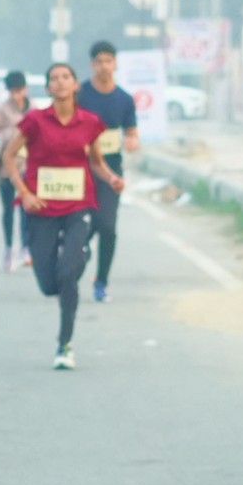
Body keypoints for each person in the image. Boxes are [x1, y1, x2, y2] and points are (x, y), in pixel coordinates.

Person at [2, 61, 125, 371]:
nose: (59, 82)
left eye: (65, 77)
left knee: (68, 274)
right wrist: (24, 193)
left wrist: (111, 178)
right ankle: (75, 260)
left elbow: (96, 162)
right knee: (49, 283)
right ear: (47, 87)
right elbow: (9, 156)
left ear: (75, 84)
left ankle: (64, 343)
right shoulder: (35, 121)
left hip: (77, 206)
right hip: (41, 208)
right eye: (54, 79)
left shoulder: (89, 122)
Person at [76, 40, 143, 303]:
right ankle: (77, 254)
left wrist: (133, 141)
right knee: (82, 225)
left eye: (108, 61)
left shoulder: (124, 99)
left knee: (108, 226)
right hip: (80, 169)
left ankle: (102, 280)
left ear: (115, 64)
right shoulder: (80, 94)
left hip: (110, 171)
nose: (104, 66)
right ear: (92, 65)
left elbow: (131, 131)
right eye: (99, 62)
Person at [0, 69, 34, 270]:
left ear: (26, 89)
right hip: (7, 165)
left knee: (26, 208)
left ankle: (26, 248)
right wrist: (6, 136)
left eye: (19, 90)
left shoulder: (34, 110)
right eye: (13, 91)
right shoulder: (2, 110)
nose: (16, 95)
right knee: (8, 208)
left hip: (29, 165)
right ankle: (8, 247)